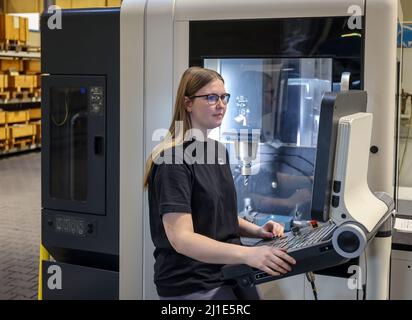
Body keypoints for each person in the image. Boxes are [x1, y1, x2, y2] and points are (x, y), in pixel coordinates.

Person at [143, 67, 296, 300]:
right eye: (211, 98)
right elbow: (182, 239)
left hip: (228, 273)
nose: (221, 104)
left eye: (224, 97)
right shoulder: (172, 160)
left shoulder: (217, 151)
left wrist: (257, 231)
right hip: (193, 284)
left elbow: (215, 214)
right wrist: (247, 255)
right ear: (188, 103)